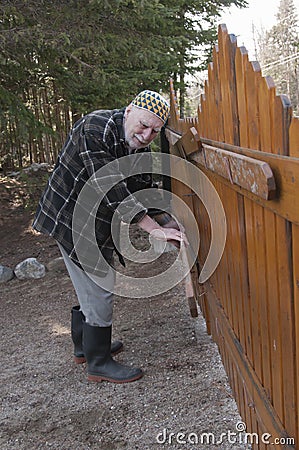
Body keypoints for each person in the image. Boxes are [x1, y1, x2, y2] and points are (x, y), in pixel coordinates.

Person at [33, 90, 188, 384]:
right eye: (143, 125)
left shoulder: (138, 148)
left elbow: (142, 187)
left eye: (154, 131)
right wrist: (153, 228)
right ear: (128, 110)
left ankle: (85, 347)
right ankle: (99, 362)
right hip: (69, 218)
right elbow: (108, 185)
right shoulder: (95, 128)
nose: (145, 135)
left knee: (91, 287)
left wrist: (168, 222)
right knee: (100, 287)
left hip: (94, 221)